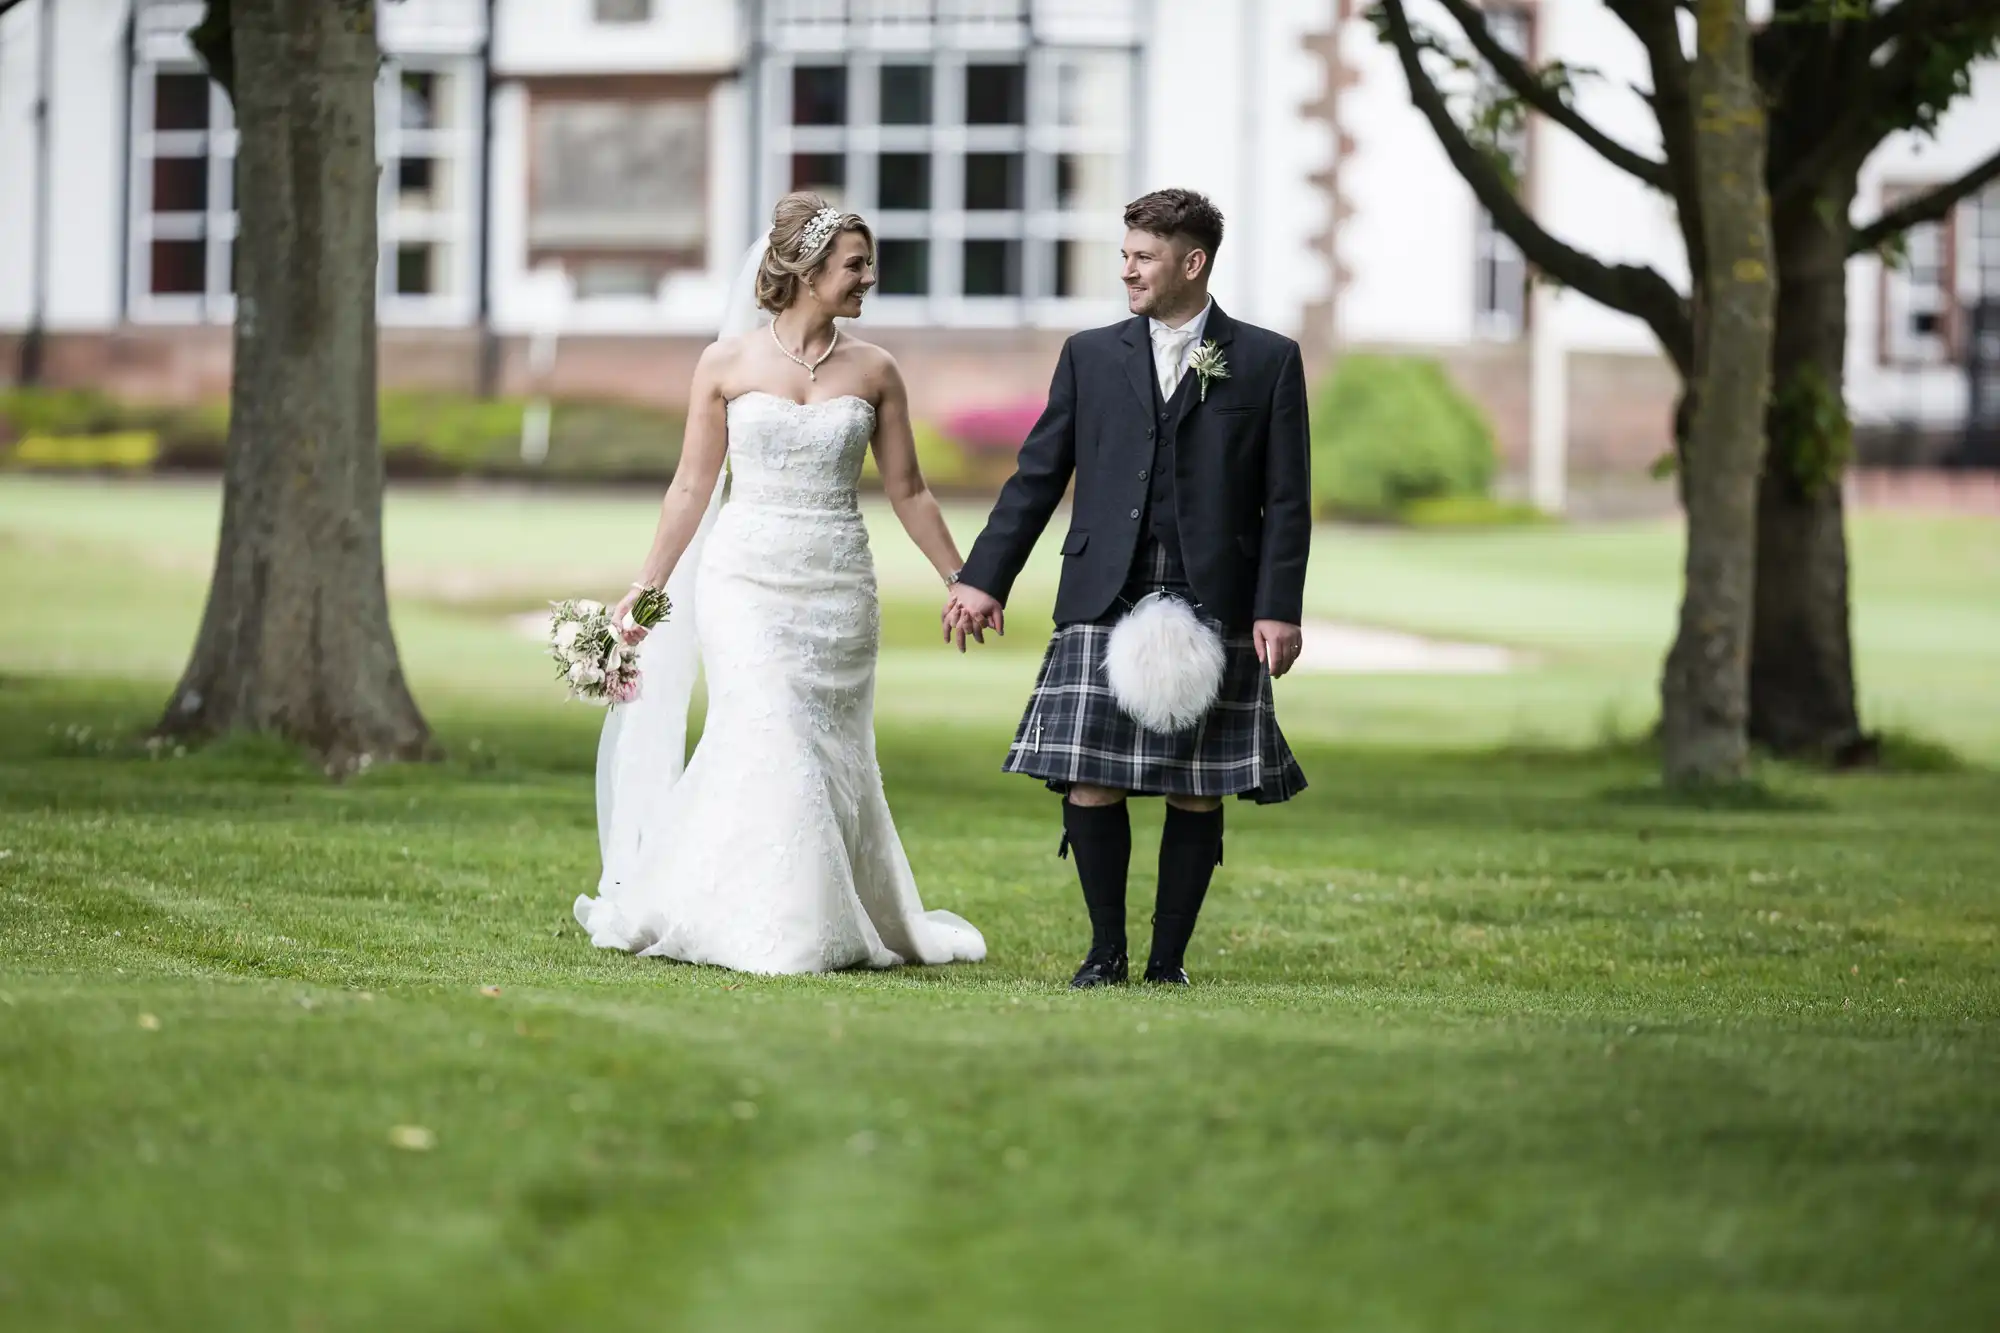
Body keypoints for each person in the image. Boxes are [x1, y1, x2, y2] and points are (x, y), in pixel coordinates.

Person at [572, 192, 986, 975]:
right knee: (766, 729)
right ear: (806, 267)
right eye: (856, 263)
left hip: (837, 586)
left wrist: (961, 578)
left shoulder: (876, 370)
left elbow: (910, 490)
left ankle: (822, 911)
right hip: (743, 581)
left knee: (828, 753)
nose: (870, 277)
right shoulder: (726, 364)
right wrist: (648, 587)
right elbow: (692, 487)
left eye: (869, 263)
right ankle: (768, 924)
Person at [945, 189, 1310, 988]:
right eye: (1125, 255)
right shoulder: (1090, 354)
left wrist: (1279, 606)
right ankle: (1104, 952)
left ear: (1194, 261)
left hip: (1219, 591)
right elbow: (1038, 475)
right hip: (1103, 587)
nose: (1128, 270)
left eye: (1143, 257)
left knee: (1198, 786)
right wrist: (983, 578)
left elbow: (1287, 497)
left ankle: (1167, 960)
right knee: (1090, 774)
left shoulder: (1268, 359)